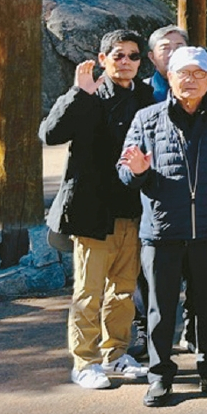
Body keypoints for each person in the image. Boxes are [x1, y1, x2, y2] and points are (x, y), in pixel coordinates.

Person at [117, 46, 207, 407]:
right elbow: (125, 171)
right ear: (169, 77)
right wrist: (138, 171)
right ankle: (160, 377)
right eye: (183, 73)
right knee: (161, 310)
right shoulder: (147, 118)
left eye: (199, 74)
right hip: (162, 230)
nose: (190, 80)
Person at [41, 30, 154, 390]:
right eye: (118, 55)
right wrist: (78, 93)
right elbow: (51, 134)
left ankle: (115, 352)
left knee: (123, 291)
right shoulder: (89, 94)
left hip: (132, 208)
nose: (126, 62)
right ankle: (84, 361)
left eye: (133, 56)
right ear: (102, 59)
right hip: (92, 209)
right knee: (89, 292)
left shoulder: (147, 97)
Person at [146, 25, 188, 103]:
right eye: (165, 48)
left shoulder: (204, 90)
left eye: (179, 47)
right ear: (152, 57)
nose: (173, 53)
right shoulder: (140, 92)